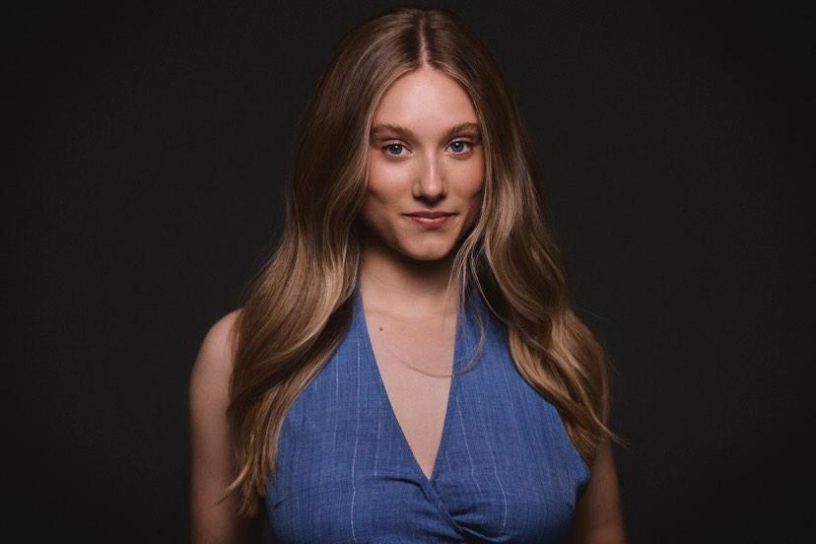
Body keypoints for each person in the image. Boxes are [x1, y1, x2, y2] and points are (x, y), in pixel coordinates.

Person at [190, 6, 627, 543]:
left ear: (495, 160)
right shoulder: (246, 352)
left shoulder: (559, 351)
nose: (431, 183)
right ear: (342, 156)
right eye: (395, 148)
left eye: (459, 144)